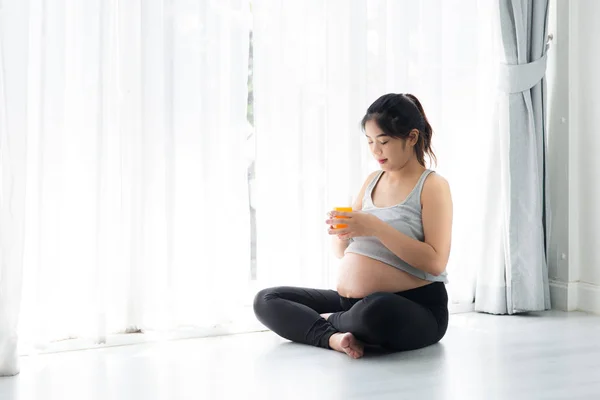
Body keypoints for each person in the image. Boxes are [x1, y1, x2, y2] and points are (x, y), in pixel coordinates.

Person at [253, 93, 453, 359]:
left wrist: (375, 227)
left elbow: (436, 262)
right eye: (370, 141)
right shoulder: (372, 180)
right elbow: (341, 252)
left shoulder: (432, 186)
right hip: (352, 304)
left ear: (412, 137)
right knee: (266, 300)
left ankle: (327, 322)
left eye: (383, 141)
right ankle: (335, 337)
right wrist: (342, 231)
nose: (375, 150)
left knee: (377, 310)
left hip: (414, 306)